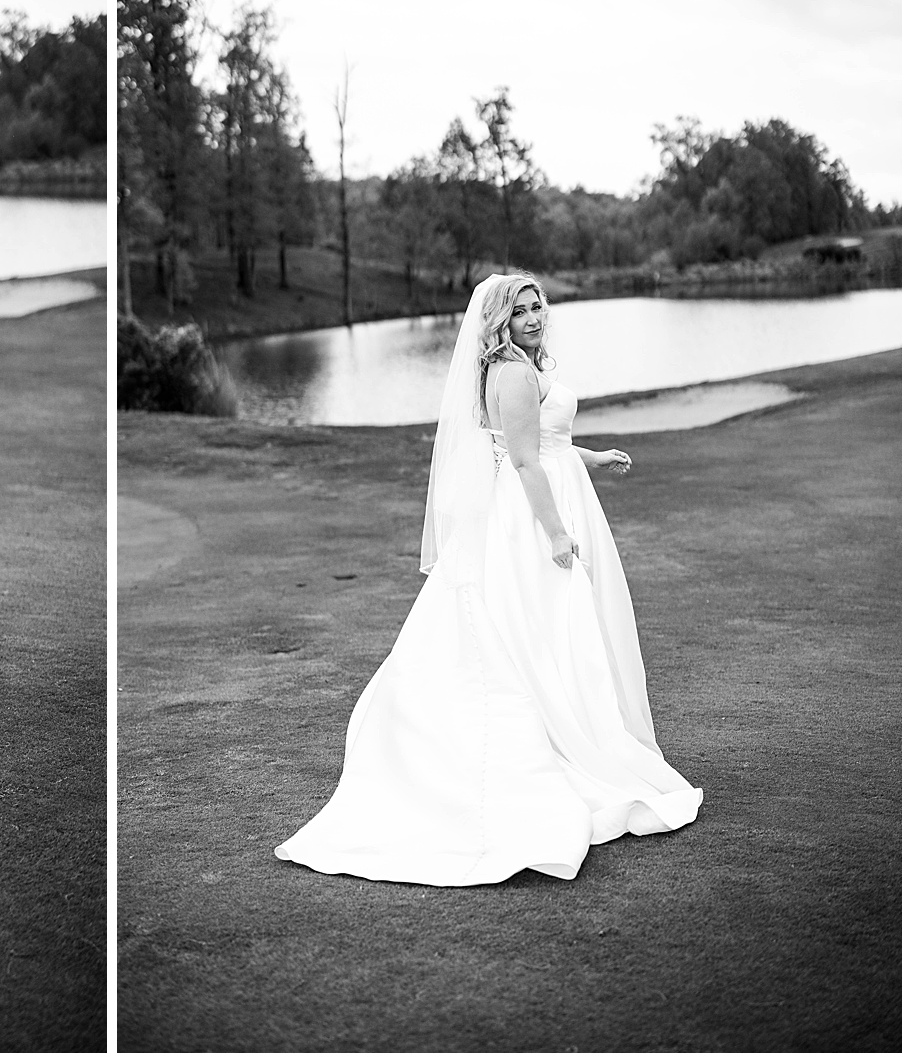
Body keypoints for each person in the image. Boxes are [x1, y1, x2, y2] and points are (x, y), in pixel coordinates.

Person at [275, 272, 700, 885]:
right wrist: (555, 532)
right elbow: (525, 461)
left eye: (538, 306)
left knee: (543, 630)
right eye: (521, 311)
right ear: (500, 320)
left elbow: (541, 443)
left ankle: (571, 727)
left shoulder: (507, 369)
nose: (533, 317)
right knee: (546, 628)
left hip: (546, 494)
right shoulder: (516, 374)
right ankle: (563, 745)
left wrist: (594, 457)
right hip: (534, 515)